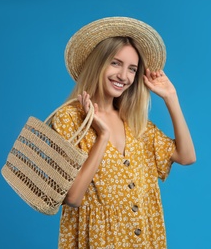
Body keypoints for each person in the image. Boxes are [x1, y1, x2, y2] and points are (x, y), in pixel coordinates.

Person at [52, 16, 196, 249]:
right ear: (98, 63)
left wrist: (171, 98)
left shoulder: (135, 123)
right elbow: (72, 197)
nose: (123, 76)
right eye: (115, 63)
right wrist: (103, 136)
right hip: (99, 241)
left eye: (132, 69)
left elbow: (187, 156)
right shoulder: (69, 119)